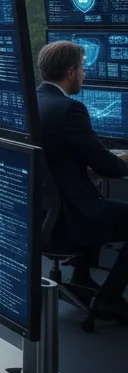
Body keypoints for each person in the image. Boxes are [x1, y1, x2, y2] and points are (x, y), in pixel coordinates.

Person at [36, 40, 128, 319]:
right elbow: (107, 166)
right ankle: (108, 300)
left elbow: (52, 159)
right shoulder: (69, 109)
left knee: (96, 195)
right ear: (71, 72)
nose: (85, 75)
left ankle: (82, 277)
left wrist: (82, 169)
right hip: (69, 219)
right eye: (84, 70)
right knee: (104, 205)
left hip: (40, 214)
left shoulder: (33, 102)